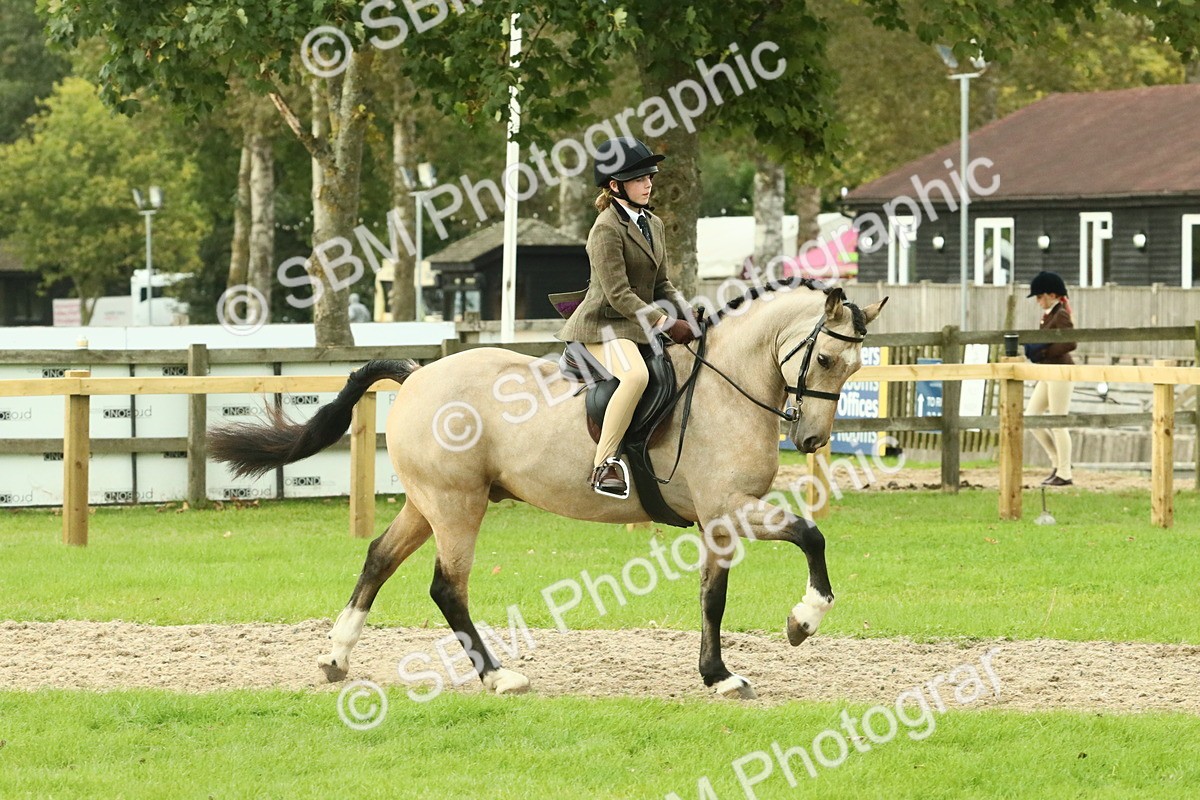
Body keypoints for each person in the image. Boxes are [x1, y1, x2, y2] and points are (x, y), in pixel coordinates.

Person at [556, 137, 696, 498]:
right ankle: (605, 465)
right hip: (602, 327)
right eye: (638, 179)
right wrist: (666, 323)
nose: (648, 183)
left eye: (650, 176)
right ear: (615, 186)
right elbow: (618, 295)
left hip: (635, 326)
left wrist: (688, 313)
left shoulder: (654, 224)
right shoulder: (605, 228)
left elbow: (662, 283)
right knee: (635, 376)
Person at [1023, 271, 1076, 486]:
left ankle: (1065, 473)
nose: (1037, 301)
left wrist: (1044, 353)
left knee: (1057, 421)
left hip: (1060, 372)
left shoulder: (1060, 314)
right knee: (1032, 417)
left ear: (1051, 295)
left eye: (1039, 297)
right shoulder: (1048, 315)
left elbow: (1070, 342)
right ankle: (1058, 462)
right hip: (1048, 373)